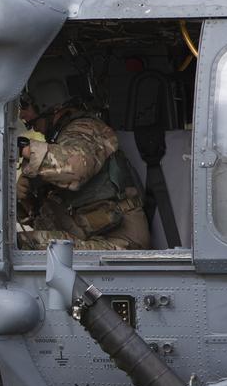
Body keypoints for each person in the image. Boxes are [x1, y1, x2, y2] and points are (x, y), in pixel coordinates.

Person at [16, 59, 151, 251]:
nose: (22, 115)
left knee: (20, 245)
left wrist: (24, 148)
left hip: (119, 242)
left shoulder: (86, 129)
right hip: (90, 236)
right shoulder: (63, 141)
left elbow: (75, 167)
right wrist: (26, 197)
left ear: (46, 99)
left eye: (25, 105)